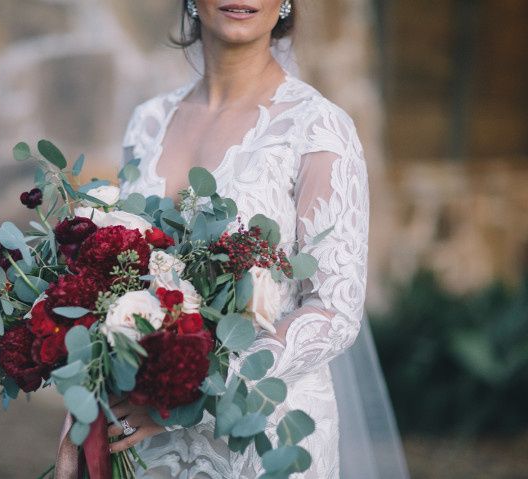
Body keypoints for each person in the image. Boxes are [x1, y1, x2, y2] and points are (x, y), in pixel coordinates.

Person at [61, 1, 407, 477]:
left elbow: (334, 308)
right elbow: (118, 277)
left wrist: (188, 394)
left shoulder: (319, 128)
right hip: (142, 444)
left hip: (264, 439)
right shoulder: (147, 123)